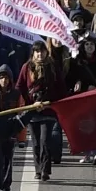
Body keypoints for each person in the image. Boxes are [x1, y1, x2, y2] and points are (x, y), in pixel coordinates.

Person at [15, 41, 66, 181]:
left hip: (48, 110)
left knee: (45, 141)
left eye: (42, 51)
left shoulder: (53, 67)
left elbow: (61, 87)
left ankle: (45, 169)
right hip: (32, 111)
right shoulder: (27, 67)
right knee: (36, 142)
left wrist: (51, 102)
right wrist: (29, 104)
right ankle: (38, 169)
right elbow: (20, 87)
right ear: (33, 53)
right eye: (37, 51)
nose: (40, 54)